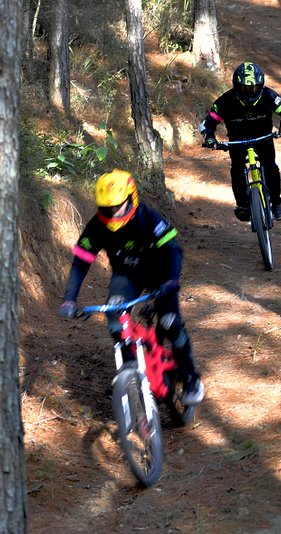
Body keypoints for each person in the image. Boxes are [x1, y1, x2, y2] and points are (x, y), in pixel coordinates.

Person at [59, 169, 205, 406]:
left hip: (160, 272)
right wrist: (69, 299)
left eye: (117, 206)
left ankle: (190, 378)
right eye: (106, 208)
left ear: (131, 198)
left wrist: (171, 281)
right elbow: (80, 263)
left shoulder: (146, 217)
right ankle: (129, 371)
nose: (112, 213)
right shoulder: (96, 225)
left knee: (169, 321)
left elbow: (174, 250)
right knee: (114, 316)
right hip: (127, 274)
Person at [199, 62, 281, 222]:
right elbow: (207, 123)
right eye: (245, 88)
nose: (250, 91)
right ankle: (242, 205)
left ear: (262, 85)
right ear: (236, 85)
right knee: (237, 169)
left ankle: (276, 204)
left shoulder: (269, 95)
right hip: (237, 141)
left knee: (271, 167)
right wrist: (210, 138)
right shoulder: (225, 101)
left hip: (263, 138)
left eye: (254, 87)